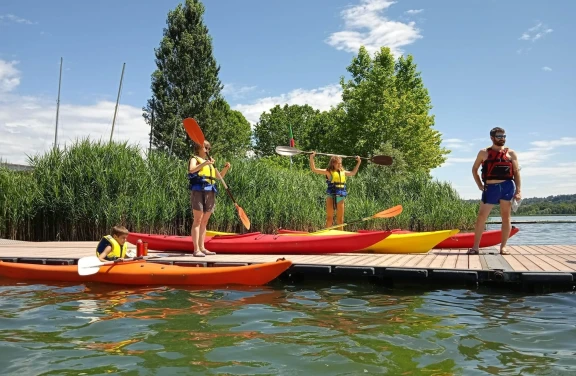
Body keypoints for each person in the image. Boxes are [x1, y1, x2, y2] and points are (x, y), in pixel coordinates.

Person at [469, 127, 522, 255]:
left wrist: (518, 191)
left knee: (506, 217)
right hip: (491, 188)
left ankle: (503, 247)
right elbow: (474, 169)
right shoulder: (483, 153)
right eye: (499, 136)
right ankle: (475, 247)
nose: (502, 139)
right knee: (481, 217)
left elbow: (516, 172)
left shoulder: (511, 153)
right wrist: (479, 185)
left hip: (507, 187)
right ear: (492, 138)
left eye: (504, 136)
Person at [188, 140, 230, 257]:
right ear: (199, 148)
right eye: (206, 147)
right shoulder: (194, 159)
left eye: (209, 148)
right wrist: (204, 164)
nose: (208, 149)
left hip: (210, 191)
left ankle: (202, 247)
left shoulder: (209, 162)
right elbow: (191, 170)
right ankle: (196, 249)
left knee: (205, 221)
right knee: (198, 220)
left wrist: (225, 168)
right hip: (198, 190)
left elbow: (218, 176)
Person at [309, 151, 361, 230]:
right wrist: (312, 157)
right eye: (338, 163)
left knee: (340, 220)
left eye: (340, 163)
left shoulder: (343, 172)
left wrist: (359, 162)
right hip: (331, 196)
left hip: (340, 196)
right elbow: (314, 169)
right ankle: (325, 236)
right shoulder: (328, 172)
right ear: (333, 163)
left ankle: (341, 237)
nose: (339, 165)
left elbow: (353, 173)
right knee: (329, 219)